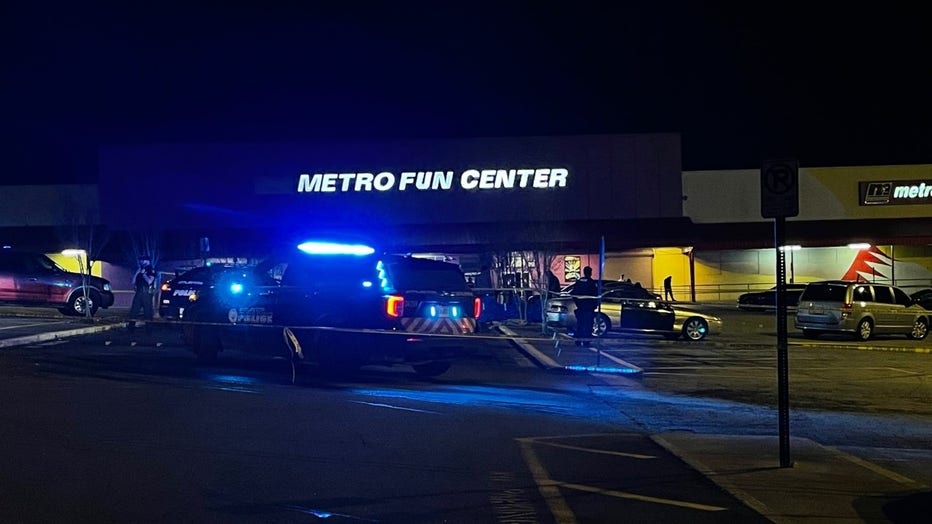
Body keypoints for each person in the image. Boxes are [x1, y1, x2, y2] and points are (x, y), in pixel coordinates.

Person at [570, 266, 598, 347]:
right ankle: (586, 342)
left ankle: (578, 341)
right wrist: (594, 305)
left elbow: (573, 293)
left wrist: (578, 303)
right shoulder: (591, 282)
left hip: (581, 307)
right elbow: (595, 295)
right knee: (588, 325)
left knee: (580, 324)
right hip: (588, 308)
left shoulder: (579, 282)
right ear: (590, 273)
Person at [129, 255, 156, 326]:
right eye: (140, 260)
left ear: (147, 261)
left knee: (148, 312)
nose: (141, 262)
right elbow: (133, 281)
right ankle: (131, 328)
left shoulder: (151, 270)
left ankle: (149, 330)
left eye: (142, 260)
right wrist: (137, 273)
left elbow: (150, 281)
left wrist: (144, 274)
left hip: (146, 293)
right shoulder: (140, 270)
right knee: (134, 311)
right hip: (138, 292)